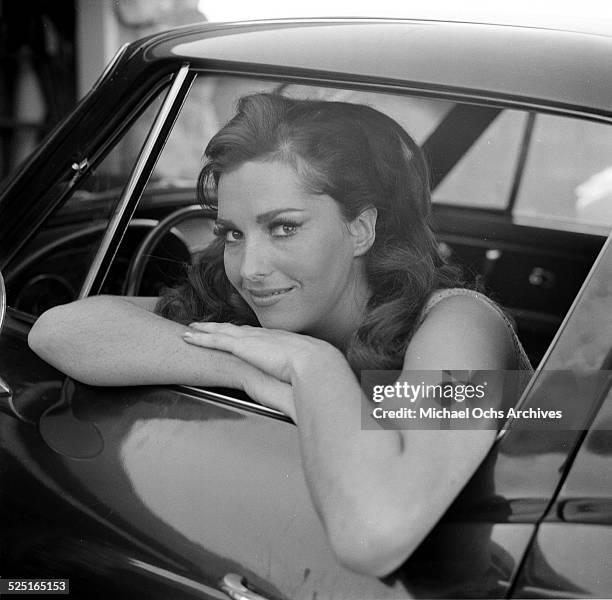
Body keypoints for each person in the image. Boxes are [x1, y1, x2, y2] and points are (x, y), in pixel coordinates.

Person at [28, 93, 532, 578]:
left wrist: (314, 367)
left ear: (361, 229)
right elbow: (61, 329)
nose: (250, 269)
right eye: (233, 233)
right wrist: (255, 366)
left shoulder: (457, 324)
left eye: (284, 228)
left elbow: (375, 534)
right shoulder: (256, 313)